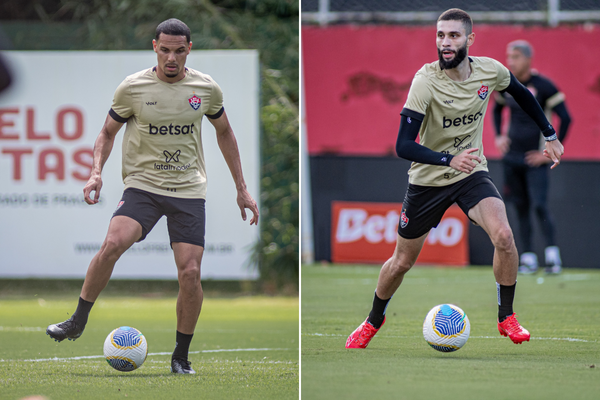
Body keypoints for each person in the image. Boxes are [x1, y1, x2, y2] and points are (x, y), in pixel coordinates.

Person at [46, 19, 259, 374]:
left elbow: (225, 133)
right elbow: (106, 133)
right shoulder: (132, 88)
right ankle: (78, 320)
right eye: (165, 50)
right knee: (112, 244)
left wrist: (242, 189)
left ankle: (180, 357)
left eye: (178, 50)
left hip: (188, 191)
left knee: (190, 273)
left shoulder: (206, 89)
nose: (171, 58)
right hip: (143, 186)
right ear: (154, 47)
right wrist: (96, 172)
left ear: (189, 49)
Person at [345, 8, 564, 349]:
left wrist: (549, 135)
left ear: (469, 40)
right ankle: (373, 320)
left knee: (504, 236)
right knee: (401, 262)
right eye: (440, 36)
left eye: (453, 36)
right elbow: (403, 145)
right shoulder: (425, 81)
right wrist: (449, 158)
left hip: (471, 173)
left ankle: (506, 317)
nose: (445, 43)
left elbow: (523, 94)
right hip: (428, 180)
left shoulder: (490, 70)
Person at [493, 40, 571, 275]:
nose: (510, 62)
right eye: (508, 57)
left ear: (528, 59)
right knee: (520, 207)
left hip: (535, 160)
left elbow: (566, 118)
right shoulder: (507, 84)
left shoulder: (544, 86)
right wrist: (498, 136)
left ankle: (552, 257)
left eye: (515, 57)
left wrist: (549, 153)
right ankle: (527, 258)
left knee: (539, 205)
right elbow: (496, 109)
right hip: (512, 158)